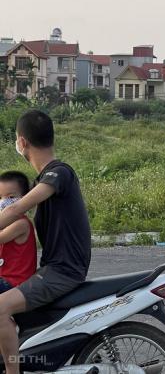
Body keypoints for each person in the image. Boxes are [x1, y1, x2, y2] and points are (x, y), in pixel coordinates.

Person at [0, 110, 91, 374]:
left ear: (22, 142)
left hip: (63, 271)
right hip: (54, 269)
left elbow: (16, 210)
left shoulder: (59, 173)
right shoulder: (46, 178)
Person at [0, 171, 37, 294]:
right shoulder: (6, 223)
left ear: (25, 198)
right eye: (0, 197)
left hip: (15, 282)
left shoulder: (21, 224)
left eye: (10, 197)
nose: (4, 201)